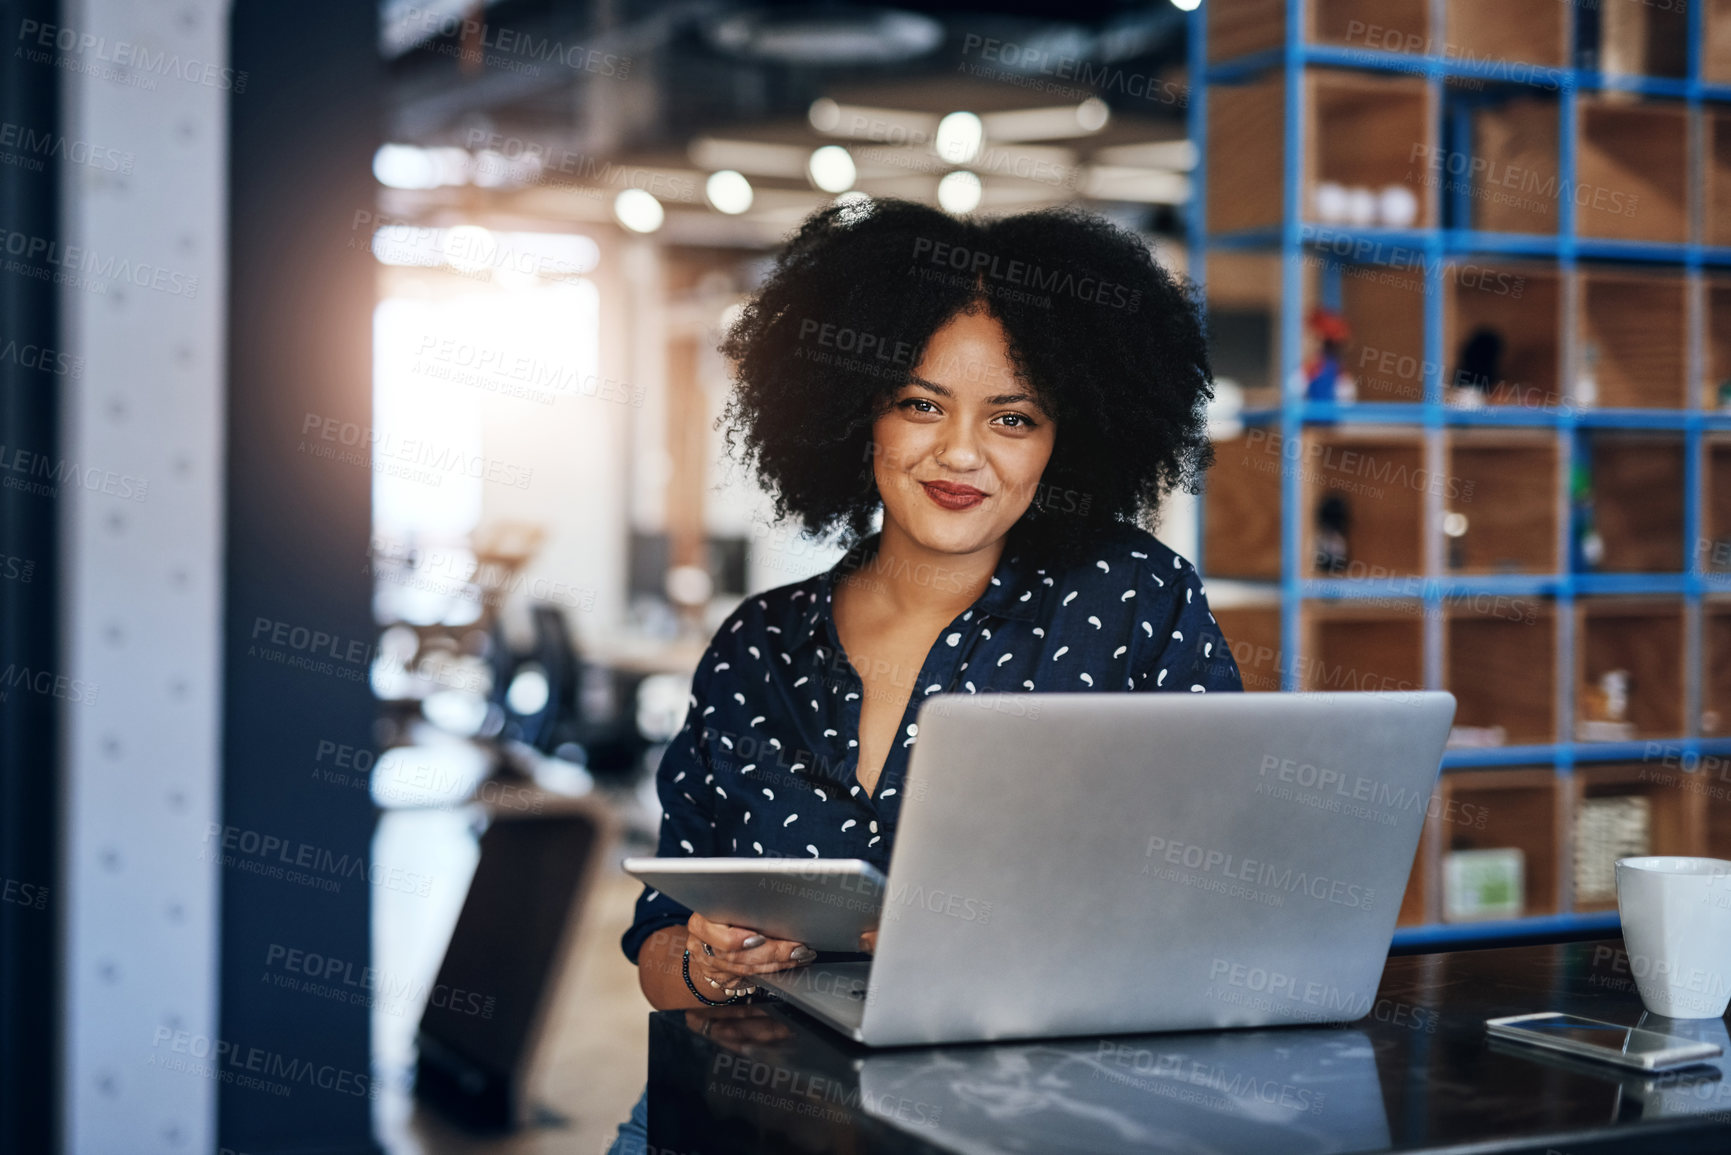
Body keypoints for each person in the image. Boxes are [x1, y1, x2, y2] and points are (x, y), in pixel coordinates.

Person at [607, 197, 1242, 1153]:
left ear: (1065, 438)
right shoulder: (755, 647)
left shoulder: (1130, 601)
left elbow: (1222, 904)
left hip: (1017, 1124)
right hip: (738, 1116)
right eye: (920, 402)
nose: (959, 453)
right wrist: (705, 961)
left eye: (1013, 416)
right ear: (855, 411)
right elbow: (659, 953)